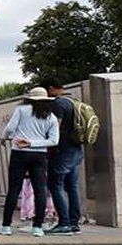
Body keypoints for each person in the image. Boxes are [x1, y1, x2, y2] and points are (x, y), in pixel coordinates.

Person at [0, 87, 60, 237]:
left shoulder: (22, 110)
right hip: (39, 155)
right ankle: (37, 226)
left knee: (13, 189)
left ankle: (6, 225)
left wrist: (4, 138)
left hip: (19, 152)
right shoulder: (51, 117)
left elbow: (10, 128)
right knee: (40, 190)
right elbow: (54, 140)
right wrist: (33, 143)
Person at [44, 77, 84, 235]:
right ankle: (74, 223)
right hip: (76, 149)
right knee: (72, 187)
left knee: (56, 185)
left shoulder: (58, 104)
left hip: (62, 151)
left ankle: (64, 223)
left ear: (51, 88)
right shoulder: (73, 101)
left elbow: (55, 127)